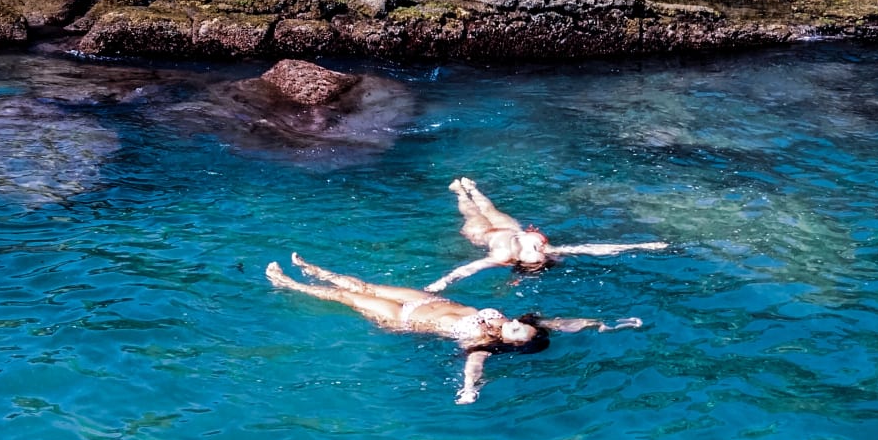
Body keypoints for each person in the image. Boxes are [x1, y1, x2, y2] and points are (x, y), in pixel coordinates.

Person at [266, 253, 640, 404]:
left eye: (515, 332)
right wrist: (604, 324)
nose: (514, 324)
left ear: (509, 344)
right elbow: (563, 323)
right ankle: (314, 270)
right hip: (428, 301)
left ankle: (290, 284)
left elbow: (473, 367)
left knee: (348, 298)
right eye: (519, 326)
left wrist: (469, 389)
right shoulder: (520, 323)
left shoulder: (482, 344)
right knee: (367, 286)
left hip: (405, 320)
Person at [425, 177, 669, 292]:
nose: (534, 249)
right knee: (490, 209)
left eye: (531, 254)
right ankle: (473, 189)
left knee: (472, 214)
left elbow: (469, 269)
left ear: (518, 261)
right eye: (537, 254)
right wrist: (641, 246)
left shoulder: (500, 257)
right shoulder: (547, 250)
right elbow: (592, 248)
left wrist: (443, 282)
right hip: (508, 228)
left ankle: (460, 192)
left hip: (483, 234)